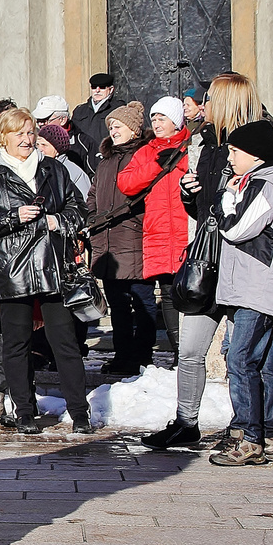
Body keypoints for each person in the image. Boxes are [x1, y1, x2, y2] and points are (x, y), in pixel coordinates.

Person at [142, 72, 263, 450]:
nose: (201, 106)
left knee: (247, 355)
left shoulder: (254, 145)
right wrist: (188, 192)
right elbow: (205, 210)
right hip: (205, 261)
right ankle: (186, 422)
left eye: (209, 99)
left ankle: (252, 427)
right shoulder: (205, 144)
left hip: (243, 262)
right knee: (190, 349)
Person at [0, 108, 91, 434]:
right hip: (12, 268)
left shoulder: (53, 169)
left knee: (65, 342)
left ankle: (80, 414)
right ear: (4, 137)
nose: (27, 139)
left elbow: (78, 209)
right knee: (16, 344)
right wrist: (14, 217)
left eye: (30, 133)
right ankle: (25, 412)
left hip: (52, 265)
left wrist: (58, 221)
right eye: (20, 134)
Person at [207, 122, 273, 465]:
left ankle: (250, 441)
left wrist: (226, 198)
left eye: (235, 151)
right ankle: (271, 437)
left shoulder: (264, 186)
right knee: (262, 363)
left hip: (261, 288)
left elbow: (236, 229)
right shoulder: (259, 182)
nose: (229, 157)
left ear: (256, 155)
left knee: (239, 359)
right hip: (253, 286)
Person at [115, 96, 191, 354]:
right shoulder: (146, 151)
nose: (157, 123)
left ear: (177, 121)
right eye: (154, 118)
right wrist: (156, 164)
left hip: (186, 230)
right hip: (158, 231)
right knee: (168, 293)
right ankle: (180, 352)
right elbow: (126, 183)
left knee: (190, 291)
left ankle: (192, 351)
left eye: (163, 118)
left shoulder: (192, 146)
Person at [86, 103, 156, 374]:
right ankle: (123, 354)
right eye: (111, 127)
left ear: (133, 129)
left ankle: (143, 353)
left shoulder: (143, 156)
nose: (113, 130)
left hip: (135, 239)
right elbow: (92, 195)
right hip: (107, 243)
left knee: (143, 300)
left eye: (118, 126)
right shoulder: (105, 163)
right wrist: (93, 217)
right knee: (117, 305)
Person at [71, 73, 122, 168]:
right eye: (94, 87)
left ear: (110, 89)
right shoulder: (80, 110)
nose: (97, 90)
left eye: (102, 87)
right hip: (81, 161)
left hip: (107, 160)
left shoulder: (118, 109)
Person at [37, 123, 91, 200]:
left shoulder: (74, 172)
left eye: (44, 145)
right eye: (37, 145)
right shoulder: (34, 167)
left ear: (57, 149)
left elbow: (85, 202)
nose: (40, 149)